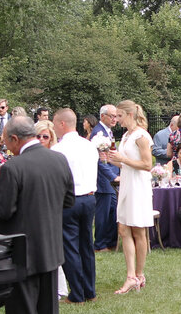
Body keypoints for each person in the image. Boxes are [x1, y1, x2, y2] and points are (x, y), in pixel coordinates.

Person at [0, 116, 75, 314]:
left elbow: (3, 209)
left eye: (6, 142)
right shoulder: (58, 159)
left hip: (22, 250)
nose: (6, 147)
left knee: (23, 312)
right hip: (49, 245)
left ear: (14, 139)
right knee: (48, 311)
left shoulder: (14, 167)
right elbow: (68, 200)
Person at [103, 100, 153, 294]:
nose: (117, 119)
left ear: (130, 115)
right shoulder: (125, 136)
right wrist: (112, 160)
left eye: (119, 116)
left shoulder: (141, 135)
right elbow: (127, 165)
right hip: (126, 183)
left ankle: (138, 274)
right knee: (123, 228)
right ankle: (131, 275)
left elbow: (147, 164)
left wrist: (123, 159)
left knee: (138, 230)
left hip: (138, 186)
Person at [52, 108, 99, 303]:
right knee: (86, 244)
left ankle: (77, 292)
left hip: (68, 200)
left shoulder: (57, 150)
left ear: (62, 124)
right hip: (89, 198)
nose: (54, 128)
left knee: (70, 246)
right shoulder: (89, 146)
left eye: (55, 124)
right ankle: (90, 290)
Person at [90, 104, 120, 252]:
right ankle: (100, 244)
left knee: (113, 211)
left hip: (111, 179)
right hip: (104, 181)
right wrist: (113, 176)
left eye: (116, 116)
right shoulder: (98, 134)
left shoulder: (108, 132)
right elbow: (100, 161)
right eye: (112, 116)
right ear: (103, 116)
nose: (115, 119)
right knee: (103, 214)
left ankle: (111, 242)